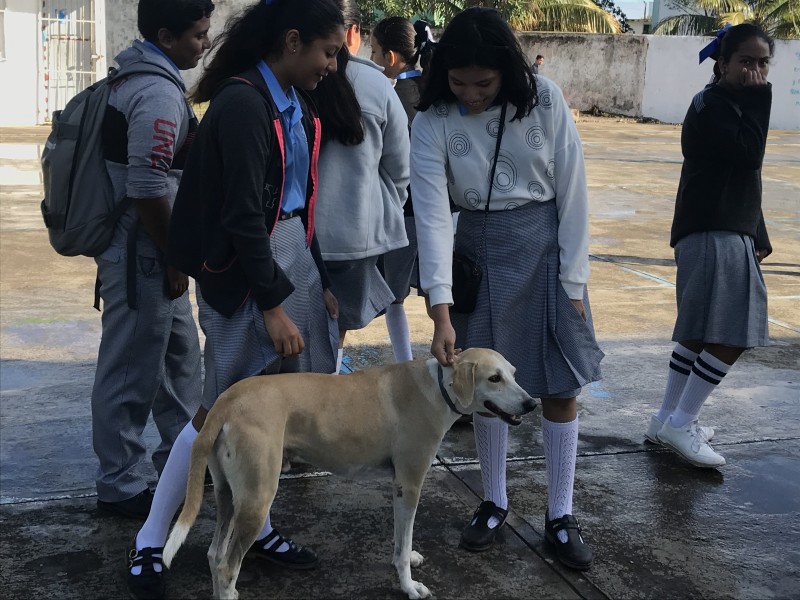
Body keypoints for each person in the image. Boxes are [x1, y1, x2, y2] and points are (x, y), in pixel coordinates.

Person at [126, 1, 345, 598]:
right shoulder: (245, 104)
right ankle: (150, 539)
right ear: (292, 41)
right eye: (328, 51)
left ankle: (259, 526)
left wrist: (316, 277)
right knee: (216, 411)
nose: (333, 64)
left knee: (264, 414)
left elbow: (298, 199)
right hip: (248, 273)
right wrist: (273, 305)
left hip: (287, 256)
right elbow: (244, 216)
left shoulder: (291, 100)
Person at [410, 7, 603, 570]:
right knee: (487, 390)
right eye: (458, 81)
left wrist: (574, 280)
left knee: (560, 384)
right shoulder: (433, 120)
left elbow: (573, 192)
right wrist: (440, 313)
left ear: (507, 72)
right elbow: (430, 216)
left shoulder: (545, 98)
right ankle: (493, 500)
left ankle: (560, 514)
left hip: (546, 250)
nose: (470, 93)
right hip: (479, 254)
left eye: (484, 83)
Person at [92, 0, 213, 520]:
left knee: (180, 362)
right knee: (130, 372)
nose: (204, 44)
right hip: (145, 252)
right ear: (166, 36)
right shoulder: (158, 93)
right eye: (197, 35)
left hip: (152, 249)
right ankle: (119, 484)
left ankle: (182, 463)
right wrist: (174, 256)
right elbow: (146, 187)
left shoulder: (132, 76)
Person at [645, 23, 774, 468]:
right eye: (746, 62)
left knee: (699, 332)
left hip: (717, 229)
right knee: (735, 333)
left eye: (762, 63)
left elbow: (740, 176)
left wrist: (757, 234)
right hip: (713, 233)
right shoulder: (718, 104)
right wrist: (761, 98)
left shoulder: (718, 102)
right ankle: (682, 421)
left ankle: (665, 419)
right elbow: (751, 155)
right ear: (723, 64)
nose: (756, 72)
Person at [310, 0, 410, 373]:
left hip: (297, 234)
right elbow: (401, 168)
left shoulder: (293, 77)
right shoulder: (377, 86)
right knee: (334, 330)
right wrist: (381, 211)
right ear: (353, 32)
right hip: (354, 237)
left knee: (302, 327)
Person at [369, 17, 434, 362]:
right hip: (442, 212)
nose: (372, 58)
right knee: (439, 293)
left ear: (392, 58)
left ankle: (405, 362)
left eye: (375, 51)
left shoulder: (391, 98)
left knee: (395, 296)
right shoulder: (433, 90)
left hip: (404, 212)